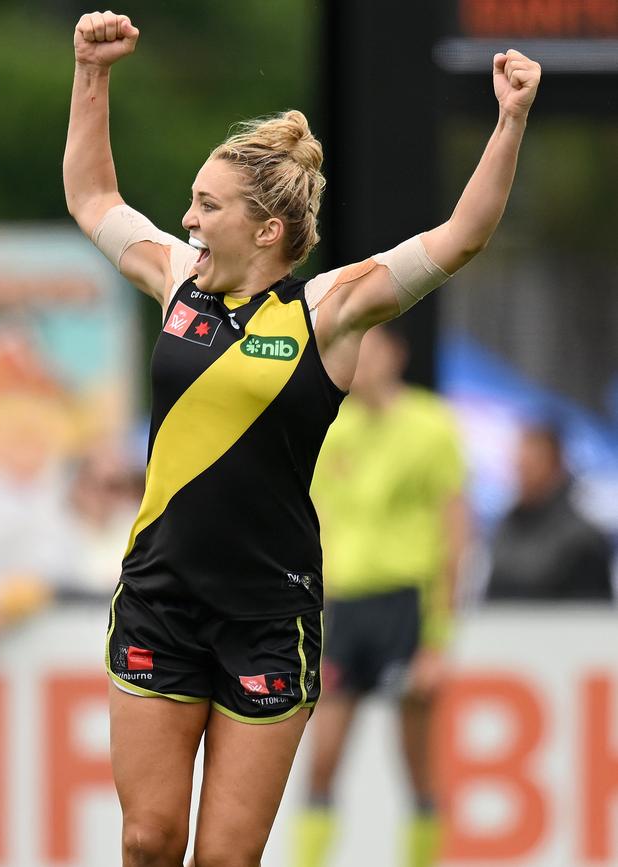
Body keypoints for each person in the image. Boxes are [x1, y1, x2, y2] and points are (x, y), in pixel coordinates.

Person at [63, 10, 541, 867]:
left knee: (225, 859)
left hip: (267, 617)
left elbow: (460, 238)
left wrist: (508, 123)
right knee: (147, 837)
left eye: (207, 207)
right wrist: (89, 75)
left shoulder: (327, 312)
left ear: (268, 230)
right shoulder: (177, 281)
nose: (189, 219)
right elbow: (95, 198)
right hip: (160, 599)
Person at [293, 325, 468, 867]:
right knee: (322, 759)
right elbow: (312, 529)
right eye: (352, 350)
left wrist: (437, 641)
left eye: (371, 349)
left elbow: (455, 533)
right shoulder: (334, 429)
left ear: (397, 353)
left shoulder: (431, 425)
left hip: (404, 604)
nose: (360, 362)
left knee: (415, 761)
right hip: (347, 608)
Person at [485, 422, 613, 601]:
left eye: (530, 467)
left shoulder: (583, 539)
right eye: (519, 467)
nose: (522, 476)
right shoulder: (507, 526)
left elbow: (594, 617)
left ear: (555, 467)